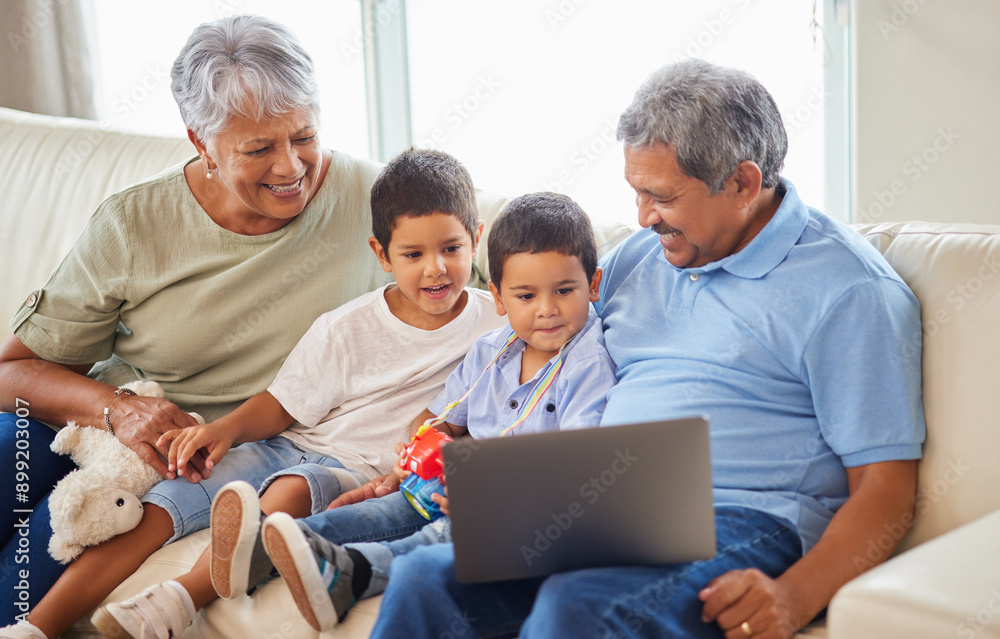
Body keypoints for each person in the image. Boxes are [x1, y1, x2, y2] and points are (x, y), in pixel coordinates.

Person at [368, 59, 927, 639]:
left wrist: (795, 595)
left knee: (576, 604)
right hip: (609, 507)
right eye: (635, 193)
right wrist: (454, 460)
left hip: (745, 517)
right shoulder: (641, 257)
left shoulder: (851, 291)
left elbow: (886, 488)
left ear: (743, 183)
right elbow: (550, 360)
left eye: (660, 197)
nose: (642, 218)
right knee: (424, 578)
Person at [0, 14, 409, 639]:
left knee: (28, 573)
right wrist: (116, 410)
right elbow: (14, 371)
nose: (292, 166)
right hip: (97, 426)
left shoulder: (382, 201)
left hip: (204, 459)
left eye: (304, 135)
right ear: (200, 142)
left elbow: (496, 294)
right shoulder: (135, 225)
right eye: (258, 149)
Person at [70, 147, 505, 639]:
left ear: (476, 241)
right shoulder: (348, 326)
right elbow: (283, 404)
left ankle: (178, 598)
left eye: (451, 249)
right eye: (413, 254)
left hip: (354, 470)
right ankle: (38, 625)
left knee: (291, 491)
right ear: (381, 255)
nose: (436, 270)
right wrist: (224, 430)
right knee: (169, 498)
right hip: (292, 442)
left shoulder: (501, 326)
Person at [154, 191, 617, 635]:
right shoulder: (491, 350)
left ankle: (350, 575)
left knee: (428, 546)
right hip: (442, 489)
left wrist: (492, 492)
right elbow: (439, 420)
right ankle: (264, 551)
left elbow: (572, 467)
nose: (547, 310)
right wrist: (415, 456)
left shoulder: (587, 365)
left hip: (512, 516)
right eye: (526, 296)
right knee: (361, 518)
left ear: (592, 286)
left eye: (564, 290)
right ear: (498, 299)